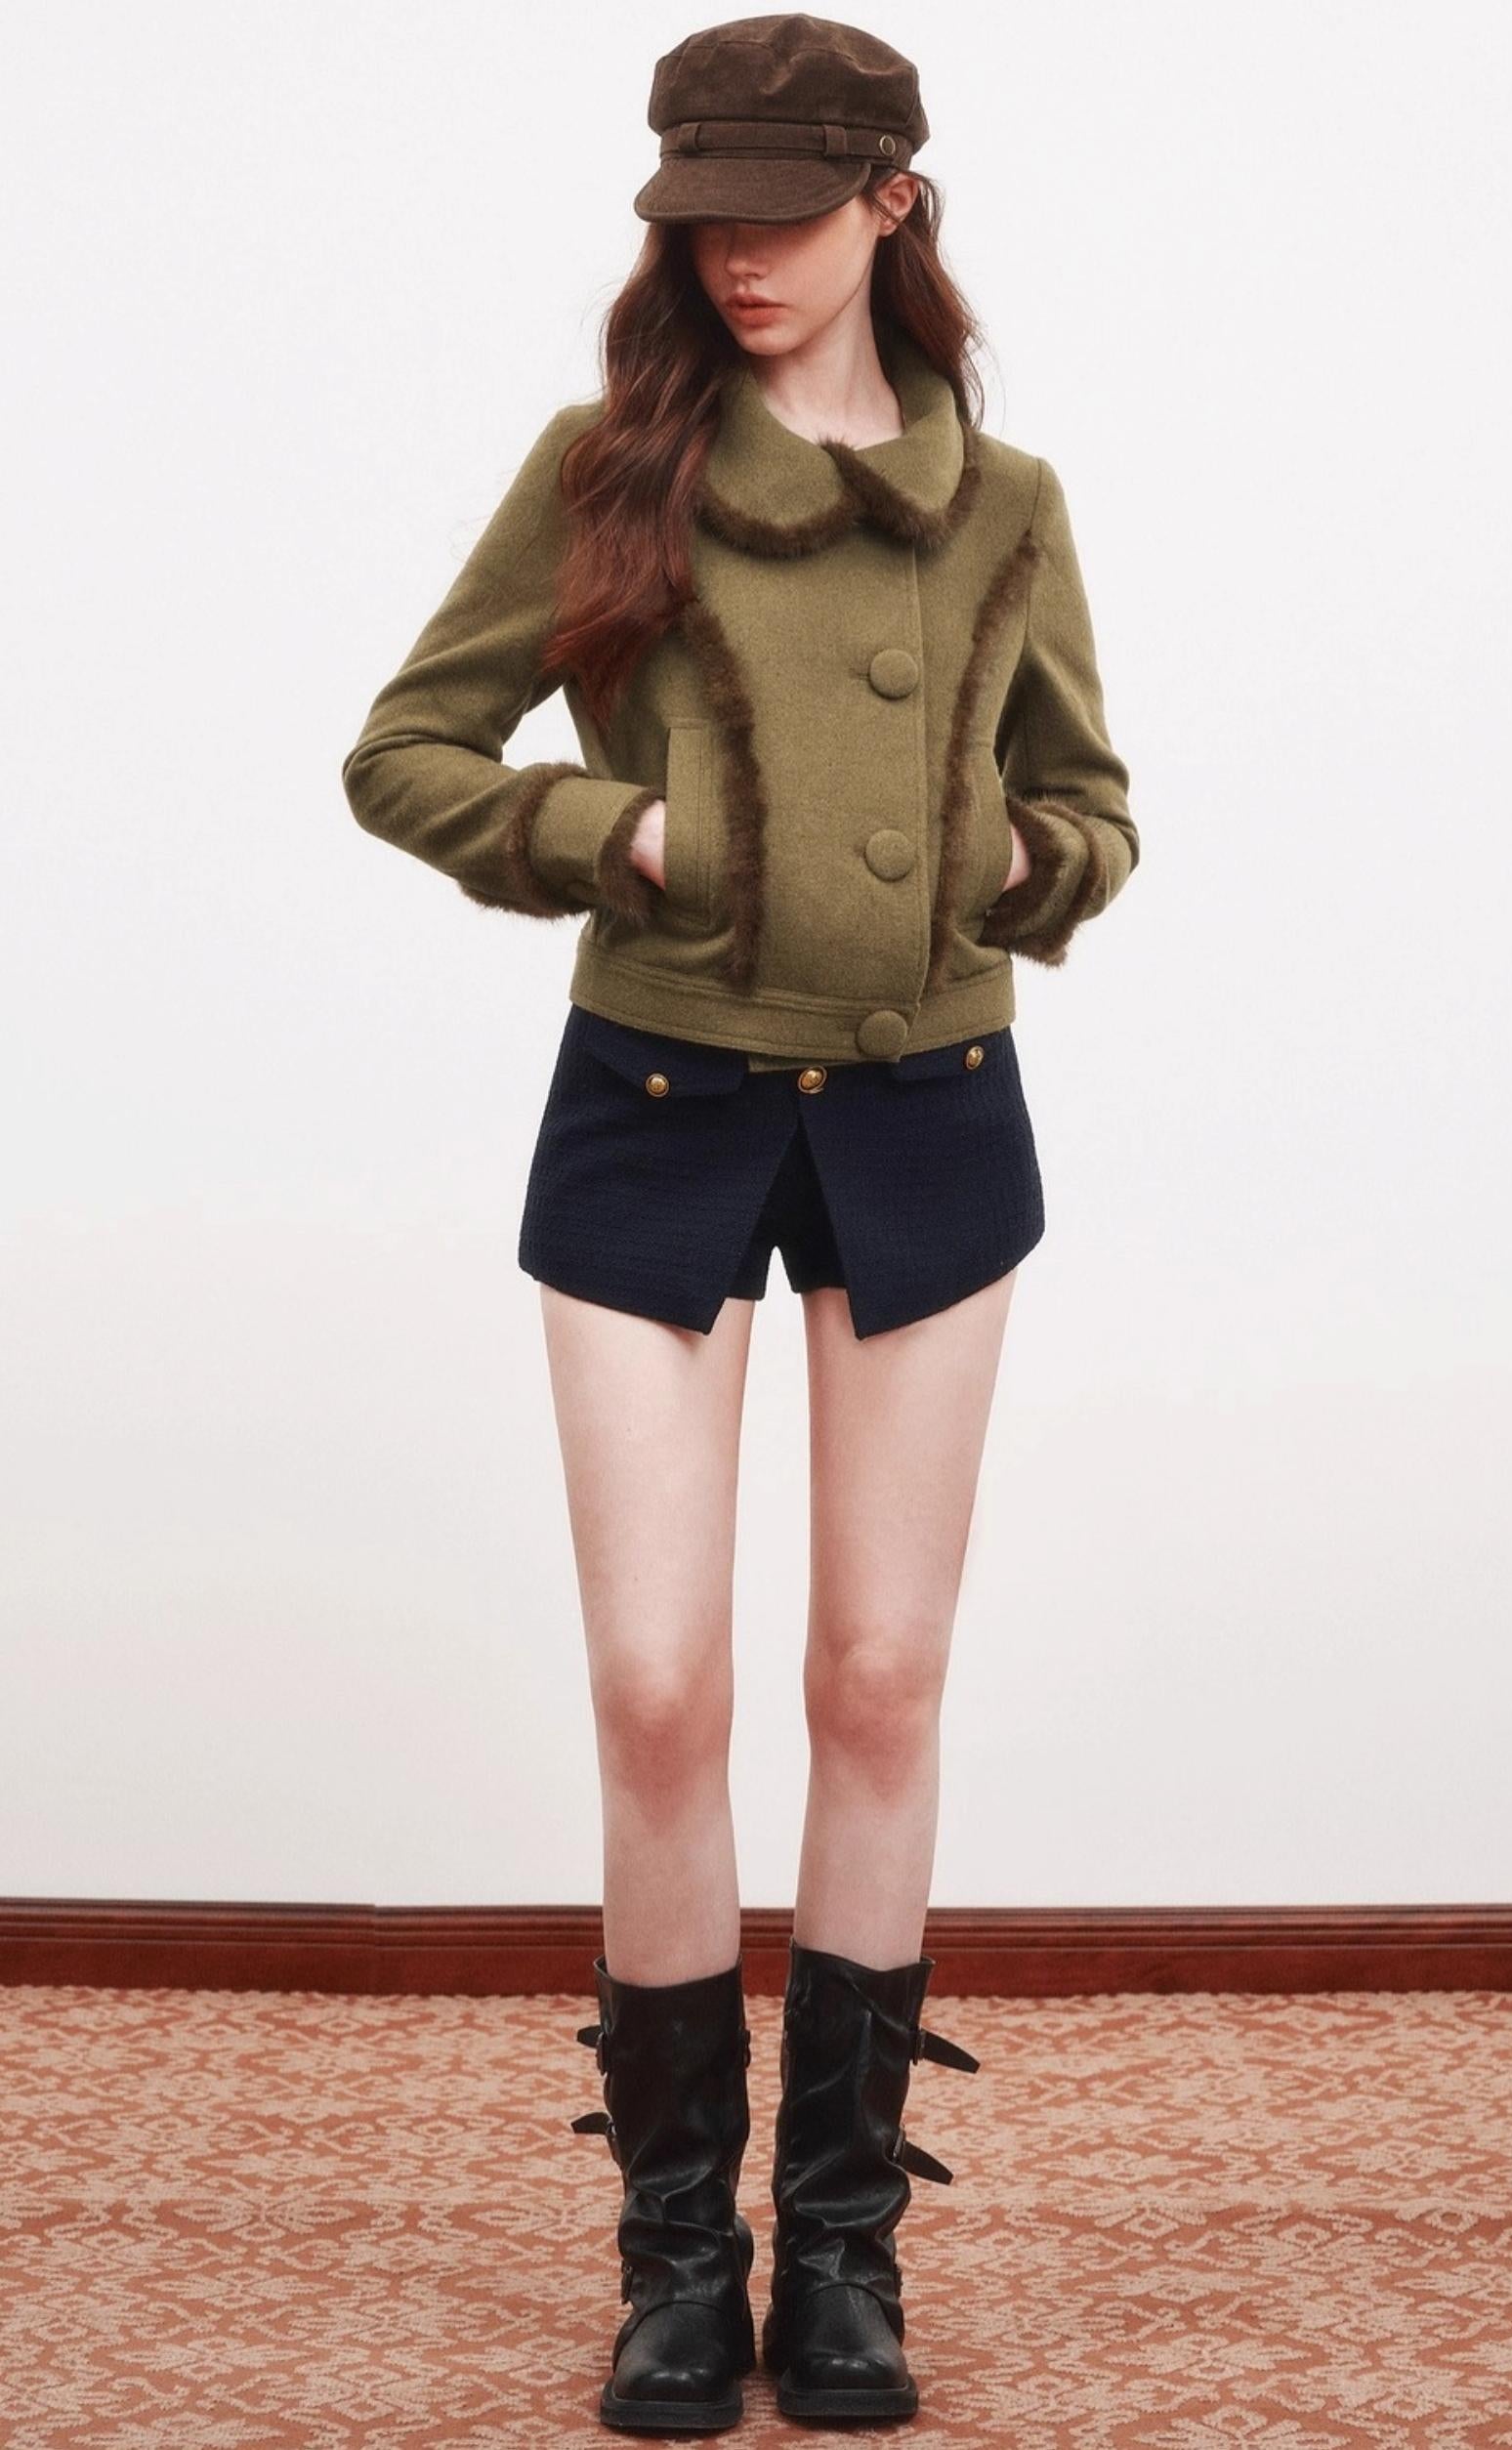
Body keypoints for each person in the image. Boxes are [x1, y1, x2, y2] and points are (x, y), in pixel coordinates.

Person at [341, 11, 1138, 2430]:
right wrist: (630, 837)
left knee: (876, 1678)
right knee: (656, 1686)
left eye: (779, 214)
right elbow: (407, 751)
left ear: (893, 199)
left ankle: (847, 2251)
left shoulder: (1008, 505)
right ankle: (675, 2256)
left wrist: (1014, 859)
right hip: (659, 1096)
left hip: (926, 1102)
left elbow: (1094, 809)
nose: (733, 260)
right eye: (698, 219)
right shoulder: (611, 471)